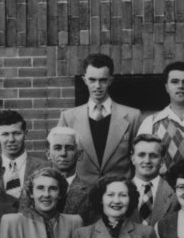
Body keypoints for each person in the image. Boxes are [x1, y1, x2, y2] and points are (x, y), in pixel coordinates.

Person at [57, 53, 144, 185]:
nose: (97, 86)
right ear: (84, 80)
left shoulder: (132, 116)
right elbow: (58, 159)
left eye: (103, 80)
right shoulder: (68, 117)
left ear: (110, 80)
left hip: (118, 192)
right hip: (81, 192)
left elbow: (140, 158)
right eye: (92, 80)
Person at [19, 126, 95, 222]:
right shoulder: (32, 188)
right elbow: (22, 222)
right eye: (57, 148)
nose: (63, 153)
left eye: (69, 148)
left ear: (79, 155)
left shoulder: (90, 192)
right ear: (48, 155)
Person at [0, 110, 48, 198]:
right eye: (5, 134)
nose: (11, 139)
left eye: (16, 133)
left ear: (25, 134)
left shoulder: (45, 167)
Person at [129, 134, 178, 227]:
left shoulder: (174, 192)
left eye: (153, 156)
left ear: (162, 161)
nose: (147, 161)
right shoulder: (120, 191)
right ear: (133, 159)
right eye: (141, 155)